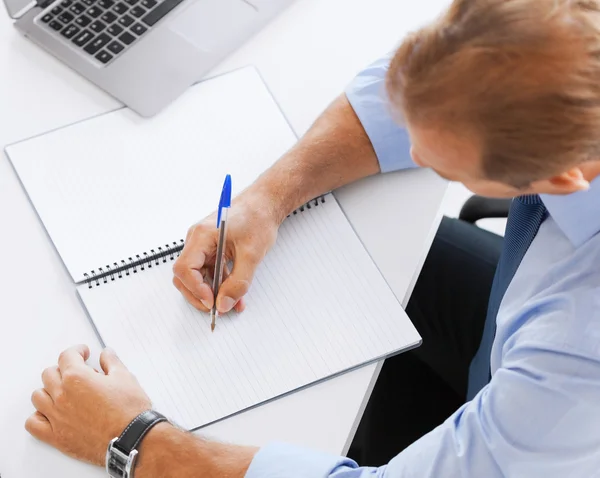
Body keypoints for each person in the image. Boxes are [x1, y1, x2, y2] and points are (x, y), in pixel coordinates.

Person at [25, 0, 600, 476]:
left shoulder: (580, 345)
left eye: (444, 165)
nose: (415, 152)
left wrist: (136, 440)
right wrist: (268, 199)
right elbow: (401, 96)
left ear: (561, 178)